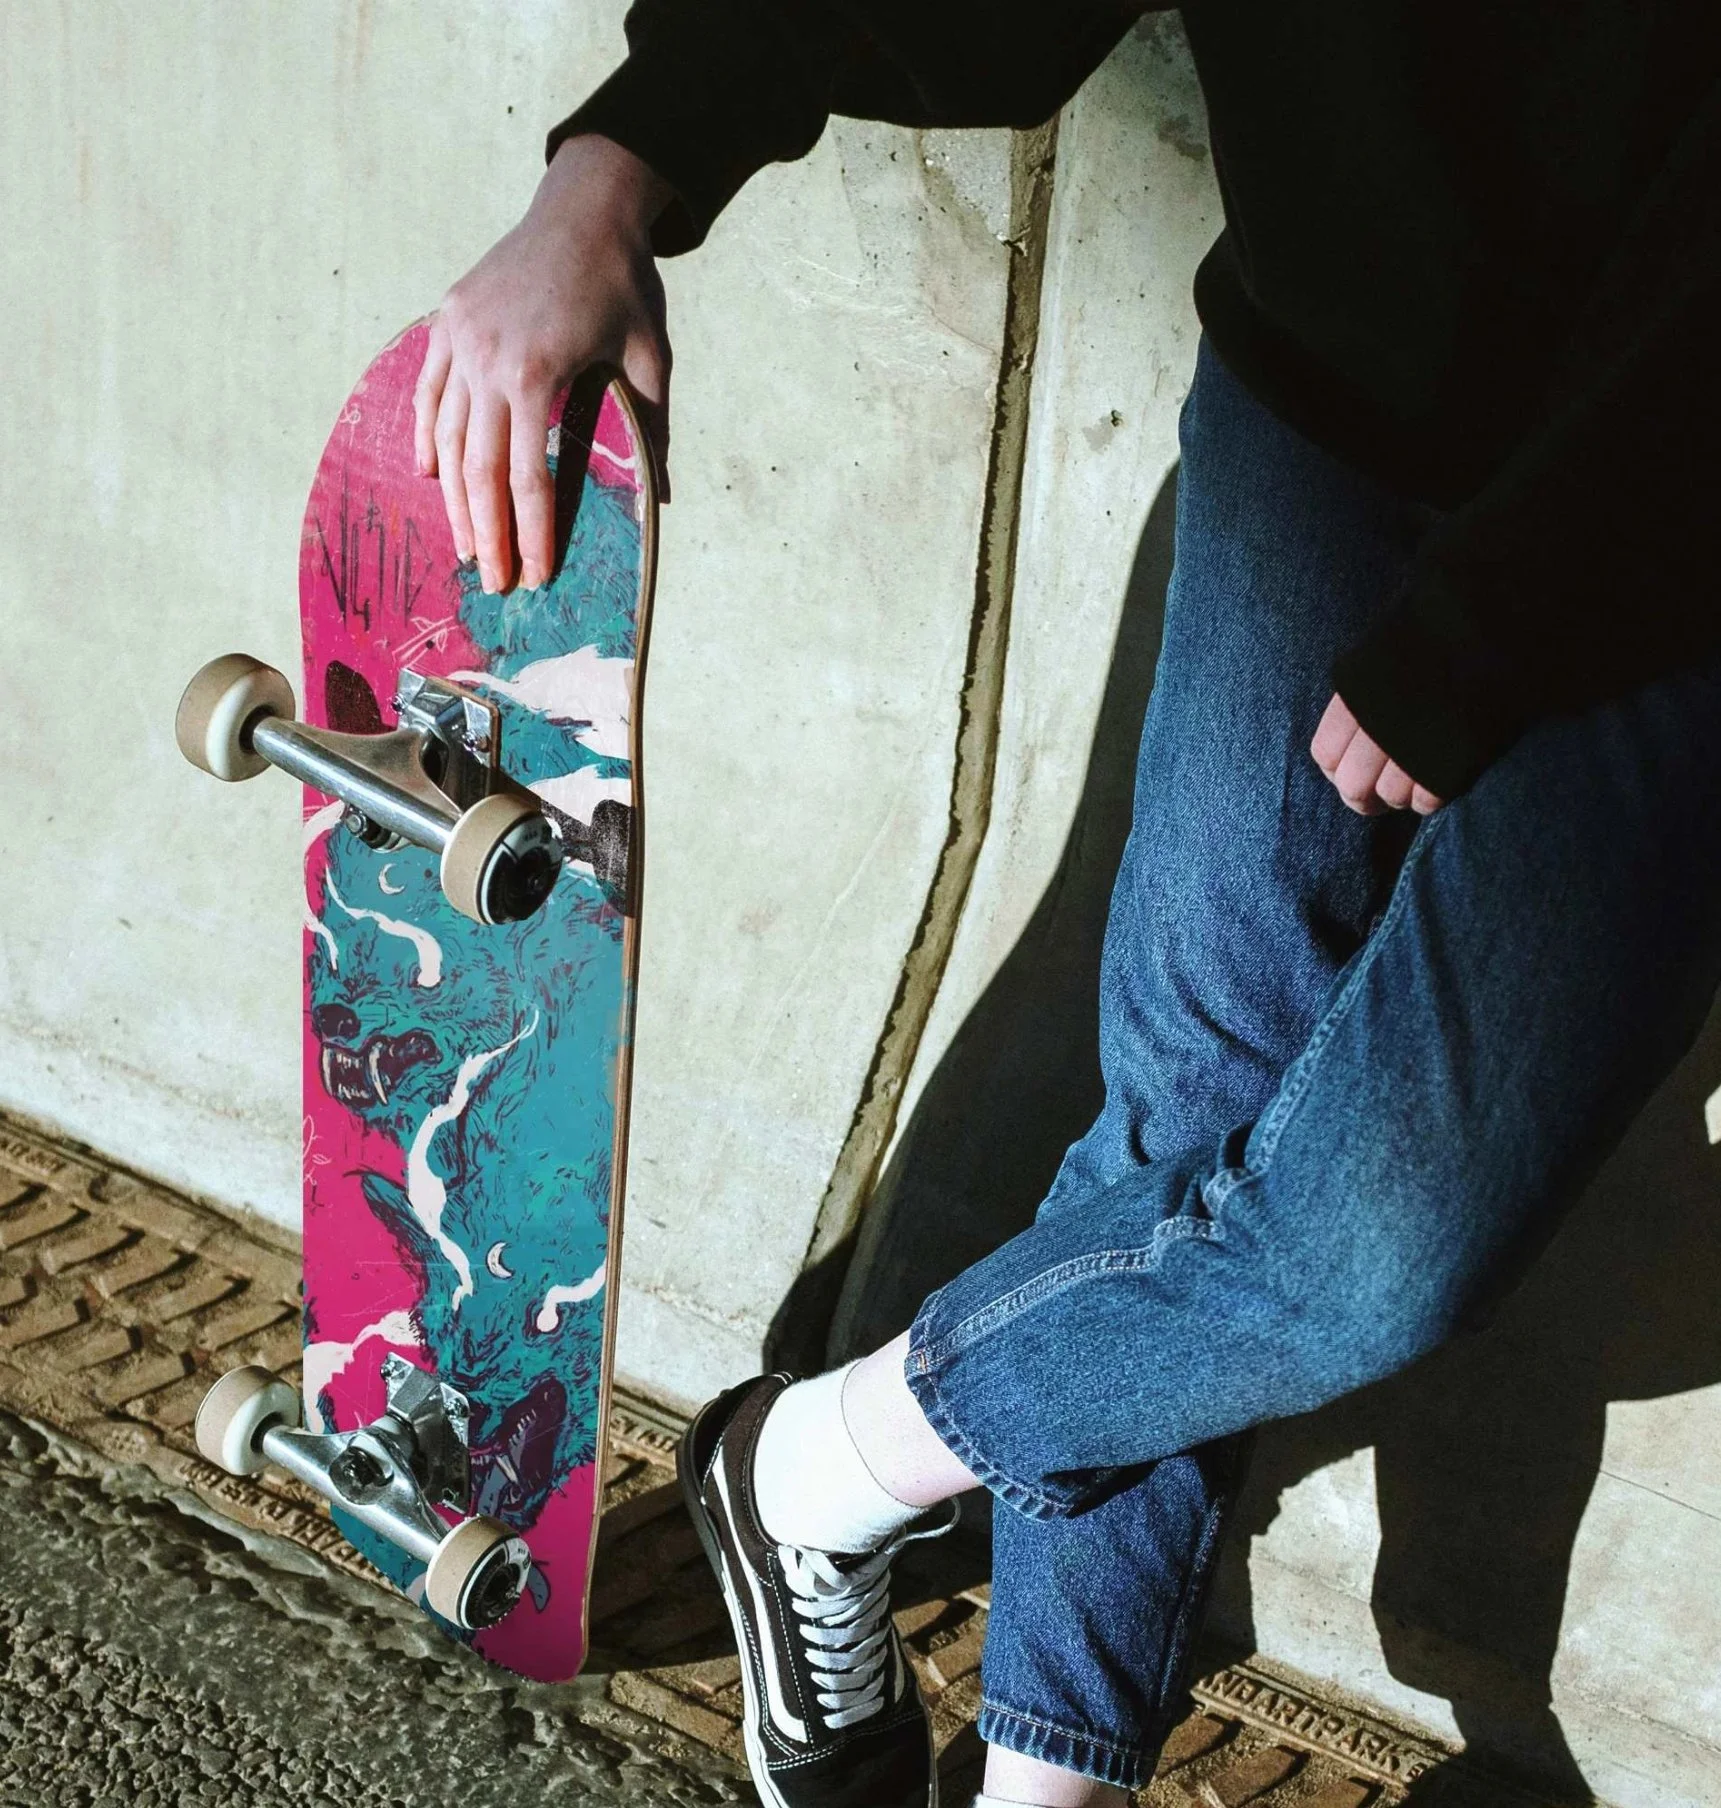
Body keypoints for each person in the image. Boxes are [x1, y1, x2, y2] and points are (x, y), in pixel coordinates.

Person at [414, 6, 1721, 1805]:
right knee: (1178, 1138)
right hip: (1324, 408)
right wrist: (618, 169)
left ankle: (811, 1470)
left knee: (1375, 1247)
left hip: (1668, 546)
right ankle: (1054, 1779)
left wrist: (1501, 617)